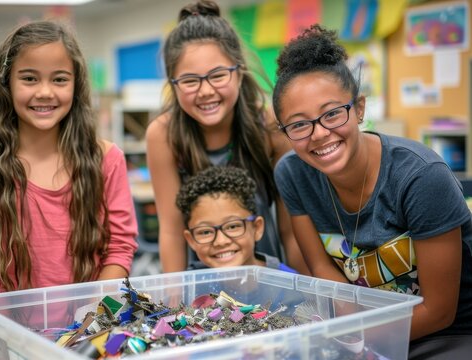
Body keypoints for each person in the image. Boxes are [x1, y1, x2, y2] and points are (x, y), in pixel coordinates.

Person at [272, 24, 472, 357]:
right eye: (299, 124)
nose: (319, 134)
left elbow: (439, 311)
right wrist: (345, 335)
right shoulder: (292, 174)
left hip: (447, 331)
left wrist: (353, 337)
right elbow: (322, 269)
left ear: (359, 108)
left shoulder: (421, 177)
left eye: (332, 113)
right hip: (362, 327)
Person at [0, 20, 138, 297]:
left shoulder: (107, 158)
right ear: (6, 83)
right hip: (14, 328)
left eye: (59, 79)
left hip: (95, 325)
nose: (45, 91)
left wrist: (95, 318)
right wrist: (5, 329)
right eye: (29, 78)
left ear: (76, 86)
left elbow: (120, 249)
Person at [146, 0, 308, 274]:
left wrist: (304, 291)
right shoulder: (163, 134)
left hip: (266, 277)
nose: (205, 91)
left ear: (239, 70)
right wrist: (174, 303)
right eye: (189, 81)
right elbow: (172, 232)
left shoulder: (268, 124)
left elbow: (290, 229)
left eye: (218, 75)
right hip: (203, 287)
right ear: (172, 85)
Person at [176, 166, 297, 272]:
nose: (221, 241)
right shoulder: (189, 289)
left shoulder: (287, 284)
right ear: (191, 240)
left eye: (233, 226)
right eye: (205, 232)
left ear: (257, 228)